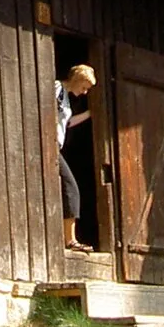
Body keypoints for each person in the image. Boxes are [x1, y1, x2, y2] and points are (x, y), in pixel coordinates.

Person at [55, 63, 96, 252]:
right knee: (70, 187)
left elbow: (68, 123)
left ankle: (67, 239)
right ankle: (70, 241)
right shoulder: (56, 88)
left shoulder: (66, 99)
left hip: (56, 147)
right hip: (50, 146)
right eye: (85, 87)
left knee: (66, 188)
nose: (85, 92)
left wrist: (90, 114)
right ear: (77, 80)